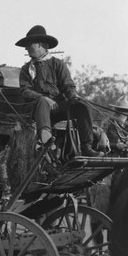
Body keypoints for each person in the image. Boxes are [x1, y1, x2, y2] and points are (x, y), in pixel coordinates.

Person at [16, 25, 103, 157]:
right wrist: (42, 98)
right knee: (43, 101)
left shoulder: (58, 64)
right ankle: (46, 139)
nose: (26, 48)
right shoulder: (26, 69)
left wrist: (73, 96)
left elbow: (68, 86)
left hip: (58, 107)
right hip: (37, 109)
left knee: (82, 105)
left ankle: (86, 146)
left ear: (40, 45)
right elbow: (25, 91)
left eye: (29, 44)